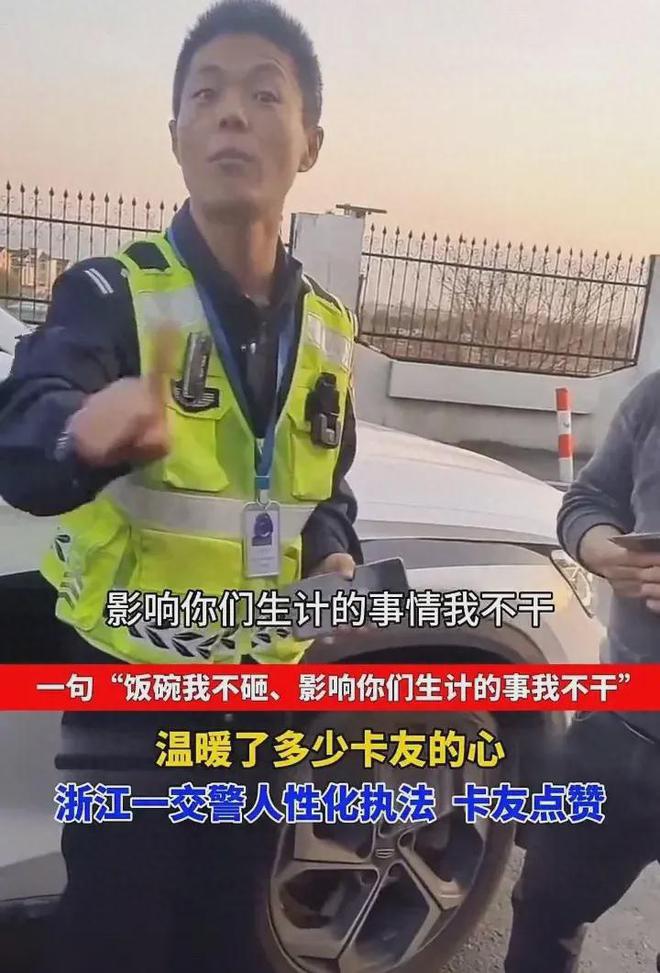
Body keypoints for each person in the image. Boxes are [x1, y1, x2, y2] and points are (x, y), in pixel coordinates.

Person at [0, 2, 362, 970]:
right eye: (205, 95)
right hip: (133, 699)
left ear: (310, 143)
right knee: (114, 940)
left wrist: (334, 551)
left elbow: (327, 487)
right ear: (176, 137)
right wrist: (82, 429)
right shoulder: (114, 294)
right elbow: (26, 428)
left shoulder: (330, 331)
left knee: (227, 938)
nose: (230, 113)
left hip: (262, 704)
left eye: (263, 95)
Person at [504, 371, 660, 972]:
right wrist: (601, 548)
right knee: (544, 914)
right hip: (615, 732)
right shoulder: (655, 398)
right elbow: (589, 501)